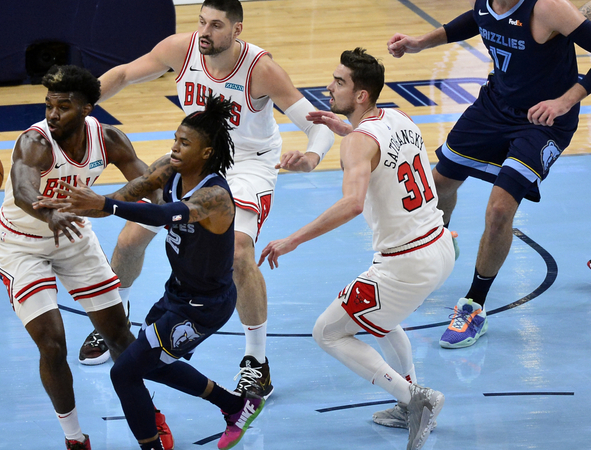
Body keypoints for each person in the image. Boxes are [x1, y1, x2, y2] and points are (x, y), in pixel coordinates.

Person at [76, 0, 352, 401]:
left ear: (237, 31)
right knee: (130, 240)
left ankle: (256, 363)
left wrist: (311, 157)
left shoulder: (260, 69)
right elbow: (121, 74)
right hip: (194, 158)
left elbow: (318, 123)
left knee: (240, 253)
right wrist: (84, 103)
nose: (205, 32)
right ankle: (114, 323)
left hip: (246, 166)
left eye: (216, 25)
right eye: (201, 21)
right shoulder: (180, 48)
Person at [34, 94, 264, 450]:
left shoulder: (215, 197)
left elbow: (162, 215)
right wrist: (73, 206)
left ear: (206, 153)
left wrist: (107, 206)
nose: (175, 147)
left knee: (123, 373)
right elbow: (127, 194)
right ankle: (235, 405)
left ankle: (153, 445)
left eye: (184, 143)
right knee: (146, 364)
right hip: (177, 293)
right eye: (175, 138)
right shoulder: (168, 170)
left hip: (206, 306)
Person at [259, 48, 455, 450]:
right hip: (438, 246)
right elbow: (380, 148)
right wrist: (347, 130)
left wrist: (292, 239)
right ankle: (409, 397)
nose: (329, 87)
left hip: (405, 263)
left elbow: (351, 204)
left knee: (327, 333)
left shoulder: (357, 144)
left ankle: (416, 400)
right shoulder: (399, 116)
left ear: (361, 95)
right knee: (379, 317)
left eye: (339, 82)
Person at [387, 0, 591, 349]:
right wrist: (422, 42)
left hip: (542, 122)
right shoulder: (485, 2)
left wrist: (567, 101)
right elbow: (474, 20)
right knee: (437, 187)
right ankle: (438, 247)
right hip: (494, 107)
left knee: (499, 211)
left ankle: (473, 305)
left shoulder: (548, 8)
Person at [0, 65, 172, 450]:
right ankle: (75, 439)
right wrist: (49, 213)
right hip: (21, 242)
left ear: (88, 108)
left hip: (73, 238)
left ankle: (150, 419)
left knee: (120, 337)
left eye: (63, 106)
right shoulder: (34, 142)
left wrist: (157, 207)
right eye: (48, 105)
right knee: (53, 343)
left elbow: (147, 184)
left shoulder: (107, 139)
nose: (52, 114)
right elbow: (24, 190)